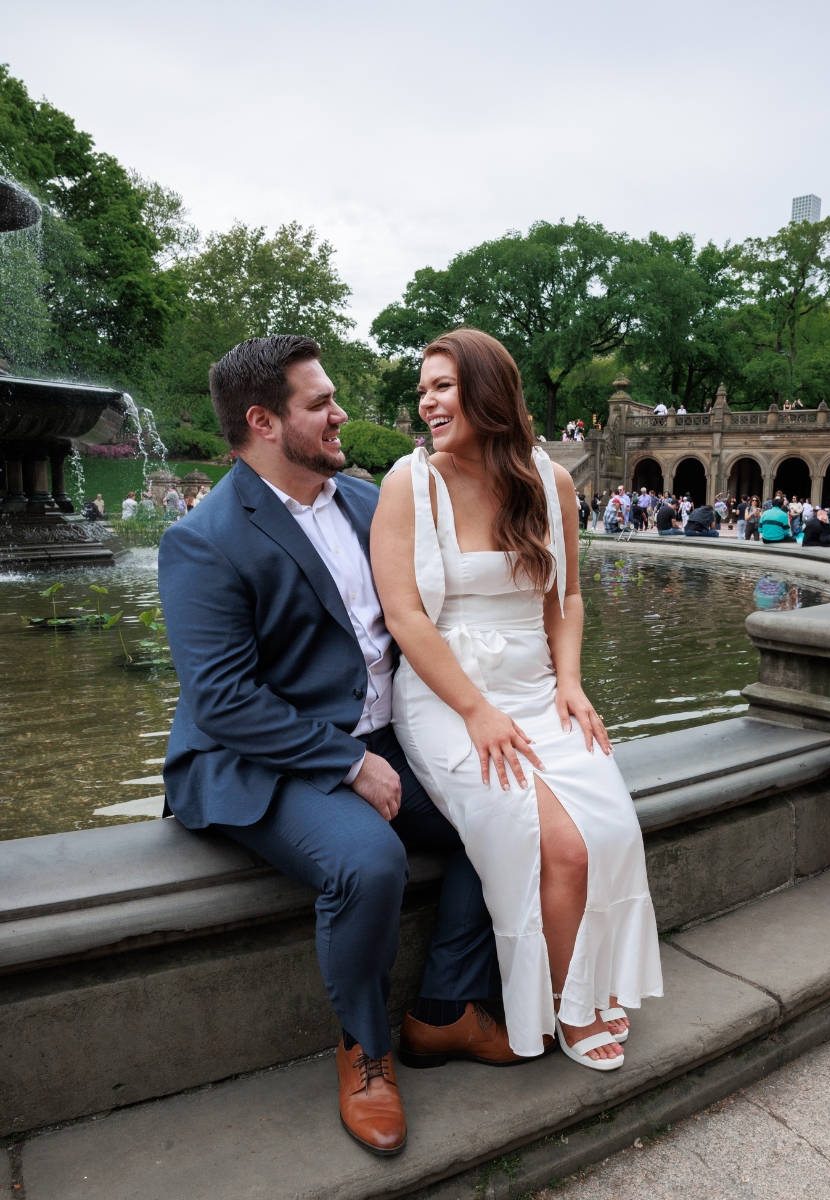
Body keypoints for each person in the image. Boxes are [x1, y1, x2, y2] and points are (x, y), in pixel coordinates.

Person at [158, 335, 511, 1159]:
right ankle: (366, 1052)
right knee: (369, 862)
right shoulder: (204, 539)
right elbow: (223, 699)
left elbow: (425, 618)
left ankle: (444, 1010)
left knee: (498, 812)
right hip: (255, 758)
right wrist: (349, 763)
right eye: (319, 403)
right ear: (263, 422)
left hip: (381, 735)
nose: (340, 411)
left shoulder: (363, 501)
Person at [372, 329, 662, 1073]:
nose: (427, 402)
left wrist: (571, 681)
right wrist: (475, 710)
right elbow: (405, 615)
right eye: (422, 390)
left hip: (538, 686)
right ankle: (569, 1002)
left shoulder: (549, 480)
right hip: (449, 696)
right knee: (555, 843)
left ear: (487, 389)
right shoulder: (411, 483)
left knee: (611, 826)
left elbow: (565, 596)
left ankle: (594, 979)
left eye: (442, 386)